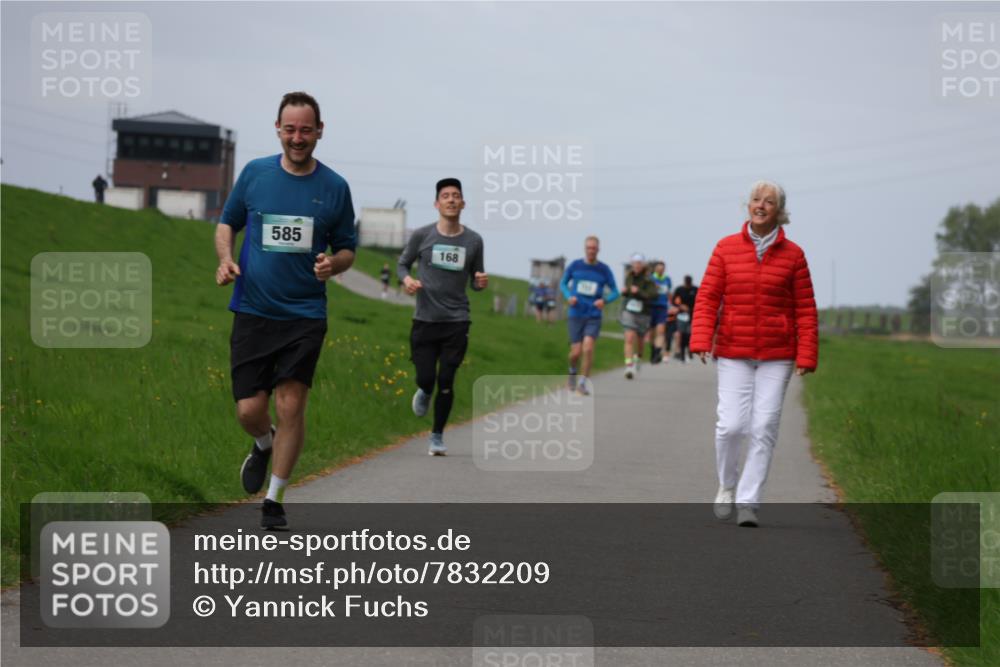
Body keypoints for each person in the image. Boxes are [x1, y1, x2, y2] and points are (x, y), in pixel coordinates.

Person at [215, 91, 356, 530]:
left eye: (306, 130)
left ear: (319, 132)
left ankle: (274, 500)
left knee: (291, 404)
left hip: (304, 313)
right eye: (290, 129)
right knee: (248, 410)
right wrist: (225, 258)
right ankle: (262, 444)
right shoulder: (255, 175)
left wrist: (334, 264)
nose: (298, 138)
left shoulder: (335, 188)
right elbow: (227, 223)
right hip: (254, 308)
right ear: (278, 129)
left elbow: (348, 248)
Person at [690, 180, 818, 528]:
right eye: (756, 200)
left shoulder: (794, 256)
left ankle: (749, 502)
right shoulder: (726, 248)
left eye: (770, 201)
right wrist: (701, 337)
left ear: (780, 211)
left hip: (778, 354)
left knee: (763, 426)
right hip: (734, 350)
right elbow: (707, 298)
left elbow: (805, 309)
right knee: (731, 426)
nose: (762, 205)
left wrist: (806, 354)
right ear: (748, 206)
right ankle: (726, 486)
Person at [398, 178, 488, 456]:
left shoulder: (473, 240)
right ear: (437, 204)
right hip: (425, 319)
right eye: (446, 196)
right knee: (426, 378)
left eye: (456, 196)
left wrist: (479, 282)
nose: (451, 199)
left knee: (446, 380)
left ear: (463, 203)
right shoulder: (422, 235)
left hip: (457, 321)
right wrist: (408, 280)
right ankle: (424, 390)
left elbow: (475, 277)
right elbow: (402, 264)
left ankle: (437, 436)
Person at [560, 236, 619, 395]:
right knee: (575, 352)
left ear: (598, 249)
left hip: (593, 314)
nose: (591, 250)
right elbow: (563, 283)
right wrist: (568, 296)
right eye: (588, 248)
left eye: (594, 248)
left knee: (588, 348)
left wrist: (604, 301)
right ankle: (572, 371)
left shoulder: (604, 269)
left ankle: (583, 383)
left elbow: (615, 291)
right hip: (576, 313)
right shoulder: (575, 265)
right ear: (585, 249)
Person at [619, 253, 659, 379]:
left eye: (639, 263)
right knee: (629, 337)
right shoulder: (628, 277)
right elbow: (628, 292)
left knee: (640, 340)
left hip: (643, 313)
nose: (636, 265)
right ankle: (629, 366)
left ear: (642, 265)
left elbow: (653, 295)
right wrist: (625, 292)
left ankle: (638, 359)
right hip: (629, 310)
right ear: (632, 264)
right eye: (634, 263)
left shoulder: (649, 279)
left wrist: (639, 292)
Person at [646, 261, 672, 364]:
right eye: (659, 268)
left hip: (662, 307)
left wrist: (671, 304)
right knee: (652, 333)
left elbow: (668, 293)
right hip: (651, 307)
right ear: (655, 269)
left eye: (662, 268)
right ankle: (653, 351)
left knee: (661, 331)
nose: (661, 270)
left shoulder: (667, 280)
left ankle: (657, 354)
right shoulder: (651, 278)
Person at [672, 275, 698, 362]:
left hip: (692, 314)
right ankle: (680, 351)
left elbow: (700, 301)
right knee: (680, 333)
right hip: (681, 315)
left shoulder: (695, 289)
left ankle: (690, 350)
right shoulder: (679, 289)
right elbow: (673, 301)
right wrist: (680, 306)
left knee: (690, 333)